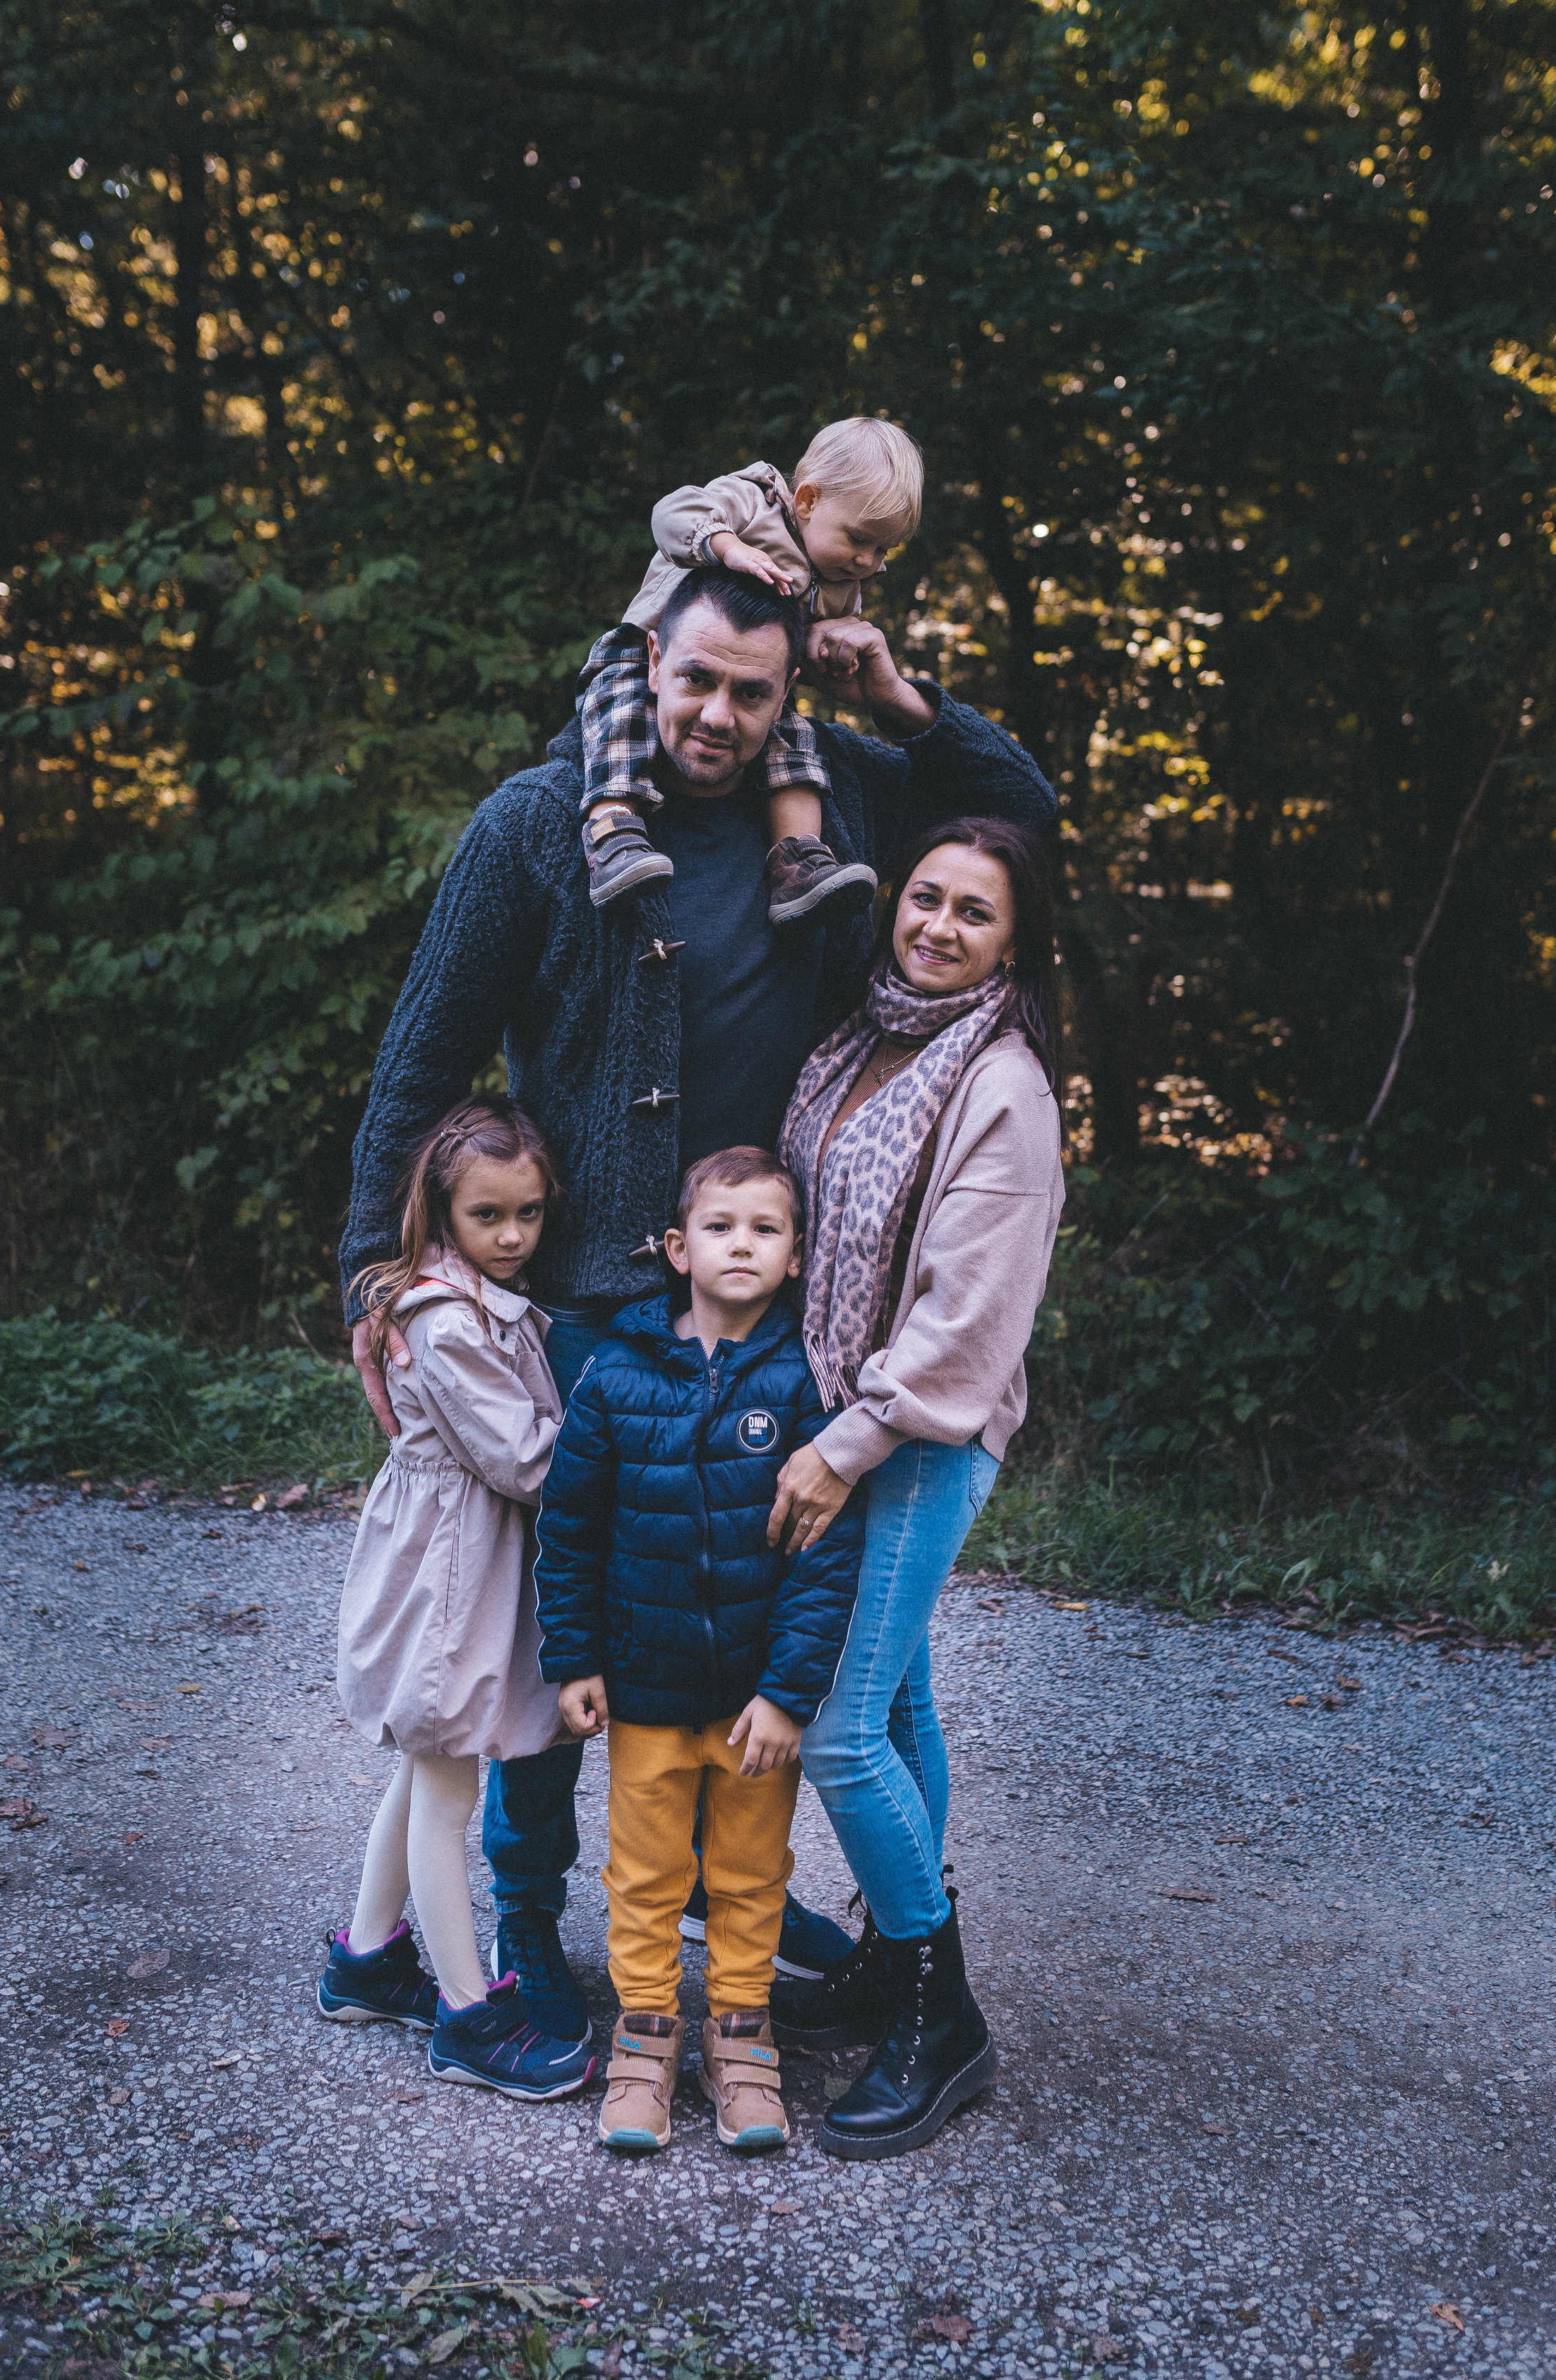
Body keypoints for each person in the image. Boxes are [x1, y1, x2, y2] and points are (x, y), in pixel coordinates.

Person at [338, 563, 1055, 2045]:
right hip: (594, 1309)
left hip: (782, 1312)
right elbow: (419, 1064)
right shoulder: (538, 828)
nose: (717, 716)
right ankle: (526, 1921)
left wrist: (895, 689)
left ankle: (751, 1903)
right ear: (644, 667)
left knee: (761, 1622)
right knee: (557, 1630)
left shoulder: (834, 801)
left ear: (783, 695)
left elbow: (1013, 812)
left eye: (752, 690)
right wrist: (373, 1273)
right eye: (696, 682)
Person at [765, 818, 1066, 2160]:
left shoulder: (1003, 1084)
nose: (938, 926)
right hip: (853, 1409)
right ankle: (892, 1965)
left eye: (975, 914)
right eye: (926, 898)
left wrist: (849, 1440)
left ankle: (942, 2019)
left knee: (833, 1727)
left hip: (922, 1433)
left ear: (1016, 942)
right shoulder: (863, 1035)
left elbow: (967, 1314)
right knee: (892, 1699)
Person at [534, 1147, 863, 2155]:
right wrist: (573, 1658)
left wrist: (790, 1694)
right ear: (679, 1248)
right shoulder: (614, 1375)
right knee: (641, 1874)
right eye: (721, 1227)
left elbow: (825, 1555)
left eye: (766, 1230)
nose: (742, 1246)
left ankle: (739, 2035)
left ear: (797, 1256)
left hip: (755, 1707)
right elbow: (571, 1526)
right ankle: (643, 2040)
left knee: (750, 1872)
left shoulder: (806, 1381)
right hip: (643, 1690)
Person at [320, 1099, 597, 2101]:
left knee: (425, 1767)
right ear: (440, 1213)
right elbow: (524, 1457)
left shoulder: (468, 1294)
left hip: (457, 1561)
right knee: (446, 1792)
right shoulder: (444, 1318)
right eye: (490, 1217)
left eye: (530, 1213)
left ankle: (363, 1958)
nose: (516, 1237)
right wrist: (622, 1457)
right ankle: (469, 2019)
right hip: (446, 1577)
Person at [577, 418, 923, 926]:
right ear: (806, 502)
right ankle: (613, 835)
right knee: (621, 720)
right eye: (859, 540)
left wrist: (840, 651)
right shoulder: (754, 502)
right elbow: (672, 513)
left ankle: (797, 860)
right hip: (639, 653)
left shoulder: (840, 583)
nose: (867, 560)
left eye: (883, 551)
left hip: (758, 690)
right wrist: (726, 545)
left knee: (795, 744)